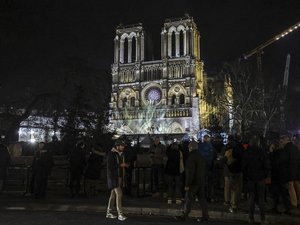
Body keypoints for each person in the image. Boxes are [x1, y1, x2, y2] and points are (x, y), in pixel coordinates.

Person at [175, 140, 209, 222]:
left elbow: (190, 173)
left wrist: (187, 184)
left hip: (193, 182)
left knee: (188, 198)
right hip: (201, 181)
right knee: (202, 199)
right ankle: (205, 216)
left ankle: (184, 215)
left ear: (190, 148)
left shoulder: (191, 158)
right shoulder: (201, 157)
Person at [242, 135, 271, 225]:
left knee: (251, 198)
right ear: (258, 143)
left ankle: (251, 218)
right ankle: (262, 219)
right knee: (261, 199)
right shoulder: (262, 152)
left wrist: (247, 176)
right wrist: (265, 175)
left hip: (251, 178)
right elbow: (267, 166)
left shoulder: (247, 152)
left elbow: (244, 166)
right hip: (260, 178)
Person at [106, 139, 128, 221]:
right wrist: (120, 165)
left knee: (113, 195)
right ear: (117, 146)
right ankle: (120, 214)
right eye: (122, 146)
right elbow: (110, 167)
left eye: (123, 146)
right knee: (119, 194)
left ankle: (109, 212)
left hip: (118, 177)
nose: (123, 147)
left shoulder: (119, 154)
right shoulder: (111, 154)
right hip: (113, 178)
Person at [198, 134, 216, 202]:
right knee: (209, 182)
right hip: (209, 166)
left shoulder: (200, 146)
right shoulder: (210, 146)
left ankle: (202, 196)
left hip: (202, 166)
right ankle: (210, 196)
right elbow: (213, 156)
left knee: (202, 182)